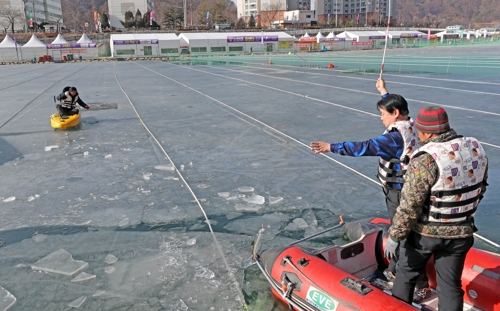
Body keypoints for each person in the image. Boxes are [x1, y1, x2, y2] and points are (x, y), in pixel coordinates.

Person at [310, 78, 429, 300]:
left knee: (403, 236)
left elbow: (365, 147)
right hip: (407, 189)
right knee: (401, 232)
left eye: (383, 114)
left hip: (399, 192)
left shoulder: (394, 138)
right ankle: (394, 271)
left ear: (394, 113)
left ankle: (419, 284)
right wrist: (384, 92)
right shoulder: (411, 124)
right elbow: (392, 107)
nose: (381, 118)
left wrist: (332, 147)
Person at [385, 106, 488, 310]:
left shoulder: (425, 159)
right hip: (461, 233)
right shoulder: (474, 148)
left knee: (406, 274)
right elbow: (480, 187)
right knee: (450, 285)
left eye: (419, 132)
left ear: (429, 133)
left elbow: (409, 206)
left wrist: (395, 236)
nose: (418, 136)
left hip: (425, 235)